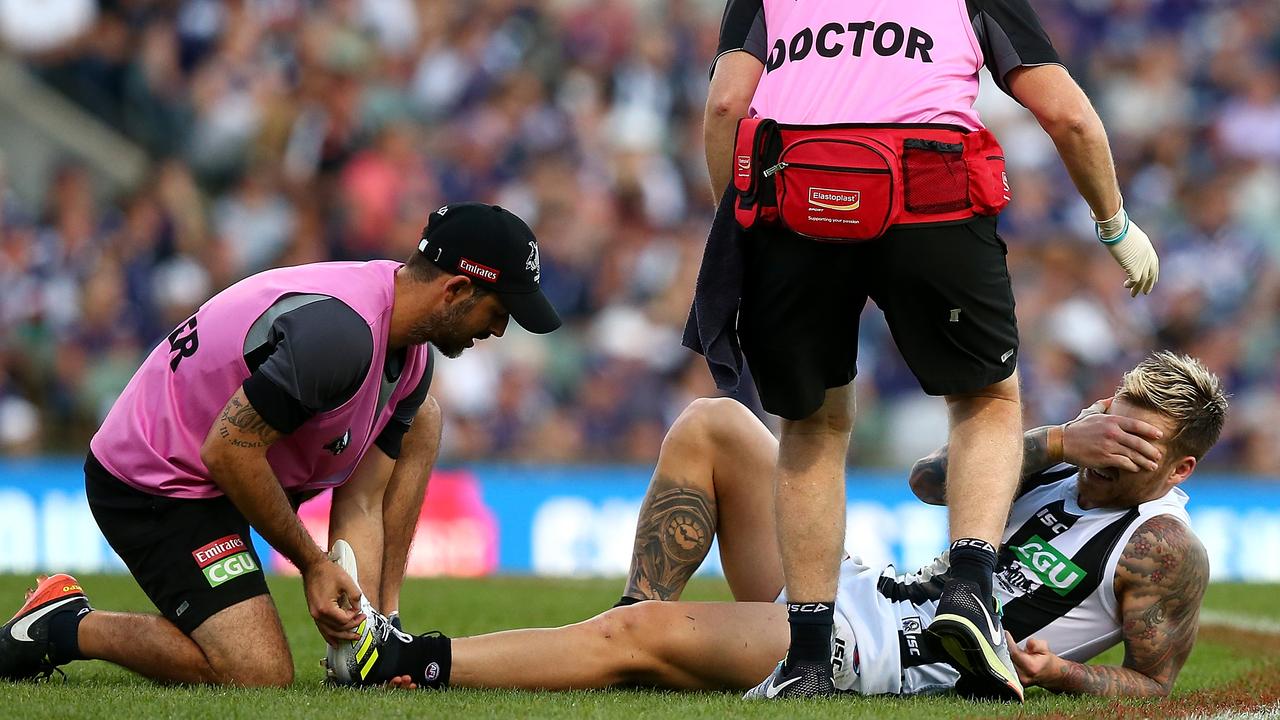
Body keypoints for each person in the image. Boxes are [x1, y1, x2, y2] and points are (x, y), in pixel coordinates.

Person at [684, 0, 1162, 699]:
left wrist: (745, 226)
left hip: (799, 196)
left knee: (813, 427)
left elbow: (727, 105)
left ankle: (811, 658)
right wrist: (1115, 225)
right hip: (928, 193)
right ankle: (969, 589)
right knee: (986, 400)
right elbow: (1068, 115)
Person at [338, 351, 1221, 700]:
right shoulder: (1061, 457)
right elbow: (925, 481)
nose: (1116, 440)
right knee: (713, 422)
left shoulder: (1162, 549)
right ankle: (639, 638)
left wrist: (1060, 672)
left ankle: (408, 663)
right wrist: (1063, 436)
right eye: (1118, 412)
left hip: (895, 656)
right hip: (874, 593)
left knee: (635, 636)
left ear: (1179, 469)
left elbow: (1156, 691)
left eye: (1141, 437)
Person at [0, 203, 561, 687]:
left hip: (233, 462)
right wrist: (314, 565)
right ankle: (62, 623)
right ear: (457, 289)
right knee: (257, 672)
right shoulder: (343, 336)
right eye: (500, 311)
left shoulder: (409, 352)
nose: (499, 330)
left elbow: (363, 501)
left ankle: (385, 629)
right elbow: (228, 451)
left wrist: (369, 631)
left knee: (423, 419)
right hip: (157, 482)